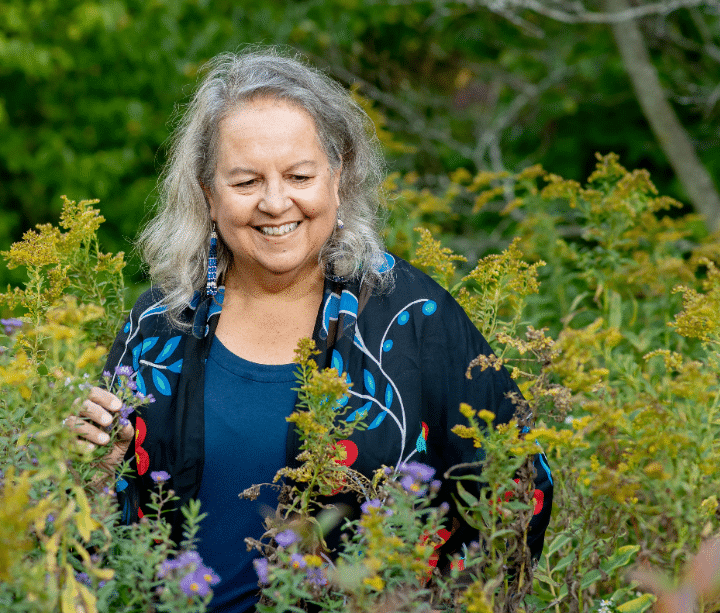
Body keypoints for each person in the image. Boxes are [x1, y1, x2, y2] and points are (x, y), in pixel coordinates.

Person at [70, 48, 553, 612]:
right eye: (246, 181)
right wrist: (95, 472)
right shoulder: (160, 323)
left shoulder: (414, 317)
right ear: (208, 192)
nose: (276, 203)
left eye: (299, 176)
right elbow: (106, 525)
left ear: (339, 177)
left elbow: (520, 488)